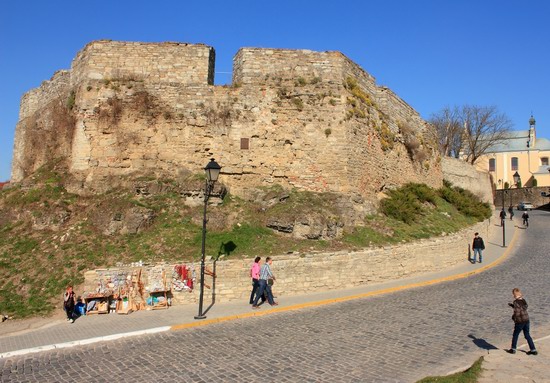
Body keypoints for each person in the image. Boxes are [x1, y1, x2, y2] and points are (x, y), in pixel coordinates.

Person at [506, 288, 537, 355]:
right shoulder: (523, 300)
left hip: (520, 321)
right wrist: (512, 306)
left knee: (515, 334)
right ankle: (533, 350)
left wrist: (513, 318)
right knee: (527, 335)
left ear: (514, 294)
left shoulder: (515, 302)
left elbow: (517, 312)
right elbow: (522, 308)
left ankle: (513, 349)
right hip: (526, 320)